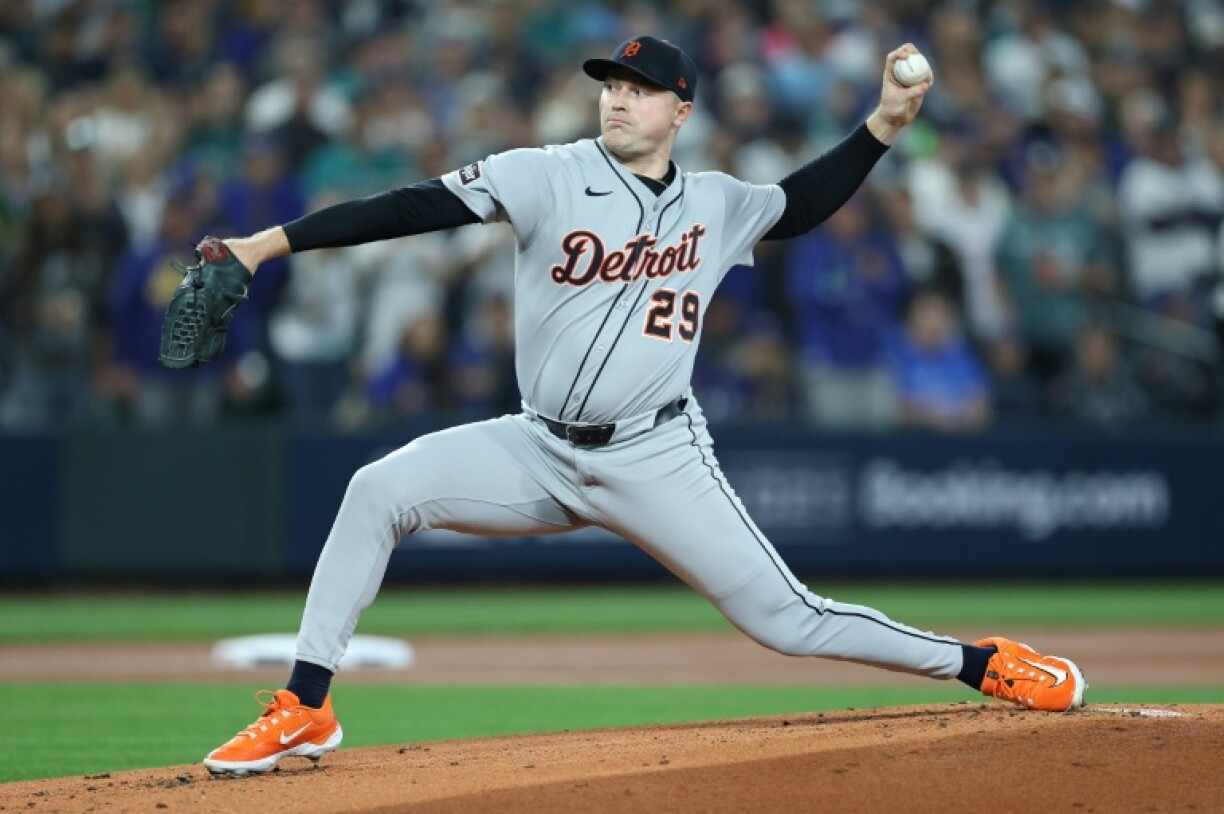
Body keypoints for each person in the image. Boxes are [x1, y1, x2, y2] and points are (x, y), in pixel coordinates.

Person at [200, 37, 1086, 777]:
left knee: (790, 621)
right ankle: (305, 707)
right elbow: (410, 206)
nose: (618, 101)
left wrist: (885, 126)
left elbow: (803, 205)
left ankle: (982, 663)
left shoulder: (715, 203)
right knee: (375, 490)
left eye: (639, 90)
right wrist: (266, 245)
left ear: (681, 112)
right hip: (537, 448)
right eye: (611, 88)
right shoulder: (544, 174)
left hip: (657, 456)